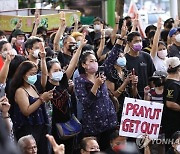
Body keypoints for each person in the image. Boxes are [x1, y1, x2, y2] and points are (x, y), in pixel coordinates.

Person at [45, 35, 87, 154]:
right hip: (55, 127)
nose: (59, 72)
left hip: (69, 124)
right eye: (55, 71)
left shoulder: (62, 82)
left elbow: (73, 65)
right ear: (48, 74)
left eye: (60, 70)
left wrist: (79, 49)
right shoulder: (46, 86)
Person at [75, 49, 117, 151]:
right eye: (91, 61)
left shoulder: (100, 74)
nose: (94, 63)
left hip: (109, 122)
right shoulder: (80, 81)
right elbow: (86, 103)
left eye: (95, 61)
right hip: (94, 126)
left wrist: (120, 41)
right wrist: (96, 86)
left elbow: (110, 59)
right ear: (84, 65)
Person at [9, 60, 53, 154]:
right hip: (28, 127)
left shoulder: (32, 86)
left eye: (35, 73)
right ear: (23, 74)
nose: (34, 76)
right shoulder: (20, 91)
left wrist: (45, 99)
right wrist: (41, 99)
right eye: (31, 74)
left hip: (40, 125)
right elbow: (26, 111)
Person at [125, 31, 156, 98]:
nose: (139, 43)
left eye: (140, 41)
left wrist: (153, 93)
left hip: (146, 94)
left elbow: (151, 77)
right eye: (136, 41)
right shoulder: (125, 59)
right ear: (129, 43)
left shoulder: (146, 56)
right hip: (130, 95)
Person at [162, 57, 180, 151]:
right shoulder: (172, 84)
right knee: (172, 145)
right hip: (173, 122)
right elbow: (170, 103)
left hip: (174, 121)